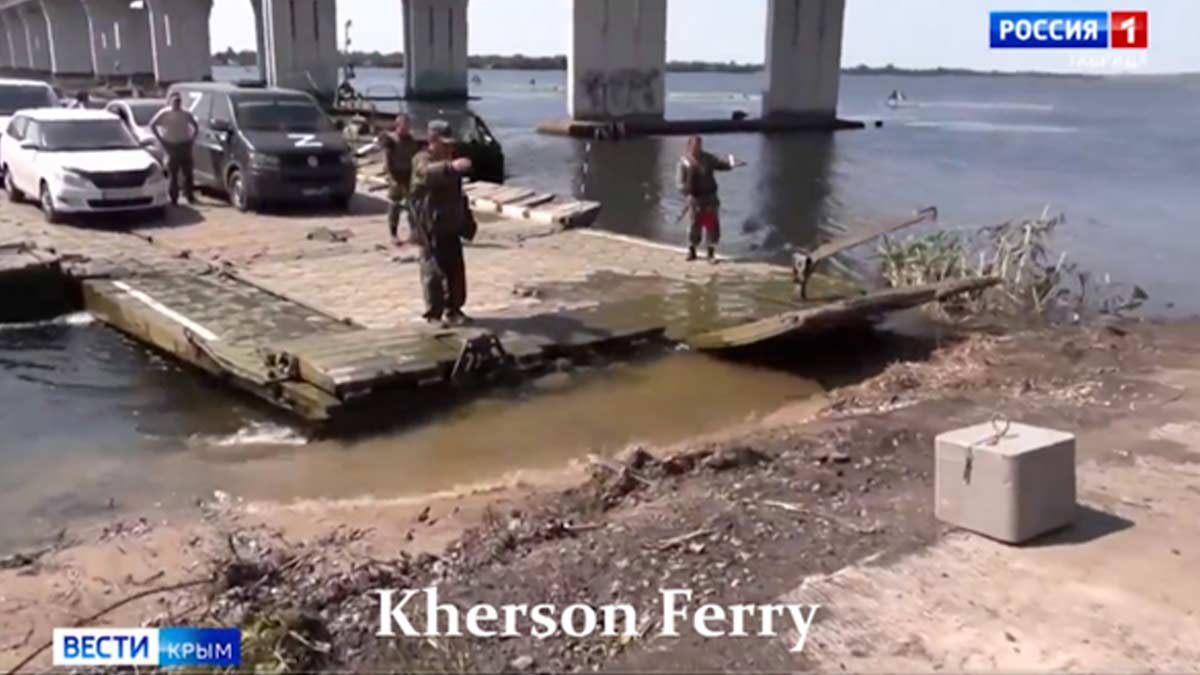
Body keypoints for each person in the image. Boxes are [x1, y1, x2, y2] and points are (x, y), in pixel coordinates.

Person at [409, 120, 476, 326]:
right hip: (430, 227)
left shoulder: (449, 162)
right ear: (433, 140)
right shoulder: (422, 159)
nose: (449, 148)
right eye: (444, 143)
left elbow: (458, 195)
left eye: (451, 144)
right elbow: (427, 174)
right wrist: (451, 167)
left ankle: (454, 308)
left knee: (455, 269)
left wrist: (467, 220)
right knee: (433, 271)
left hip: (451, 224)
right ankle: (433, 313)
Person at [357, 114, 422, 243]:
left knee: (412, 206)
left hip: (409, 175)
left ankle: (414, 233)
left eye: (408, 125)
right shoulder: (391, 140)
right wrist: (391, 178)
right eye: (404, 125)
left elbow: (416, 158)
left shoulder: (411, 140)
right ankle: (393, 234)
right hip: (395, 175)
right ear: (398, 126)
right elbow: (387, 161)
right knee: (394, 205)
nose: (406, 128)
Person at [676, 136, 739, 262]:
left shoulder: (707, 158)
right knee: (694, 225)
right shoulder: (684, 163)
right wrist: (685, 191)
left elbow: (720, 164)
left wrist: (731, 164)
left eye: (699, 145)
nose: (697, 148)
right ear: (689, 146)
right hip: (694, 199)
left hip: (709, 198)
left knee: (711, 225)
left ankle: (711, 253)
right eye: (695, 145)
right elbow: (679, 182)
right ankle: (692, 251)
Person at [149, 93, 199, 206]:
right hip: (171, 146)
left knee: (188, 173)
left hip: (185, 145)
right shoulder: (164, 113)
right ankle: (174, 198)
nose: (177, 103)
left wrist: (192, 139)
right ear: (171, 102)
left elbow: (195, 126)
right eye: (175, 101)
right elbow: (152, 124)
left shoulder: (186, 113)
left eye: (178, 101)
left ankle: (189, 195)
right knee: (173, 174)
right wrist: (161, 140)